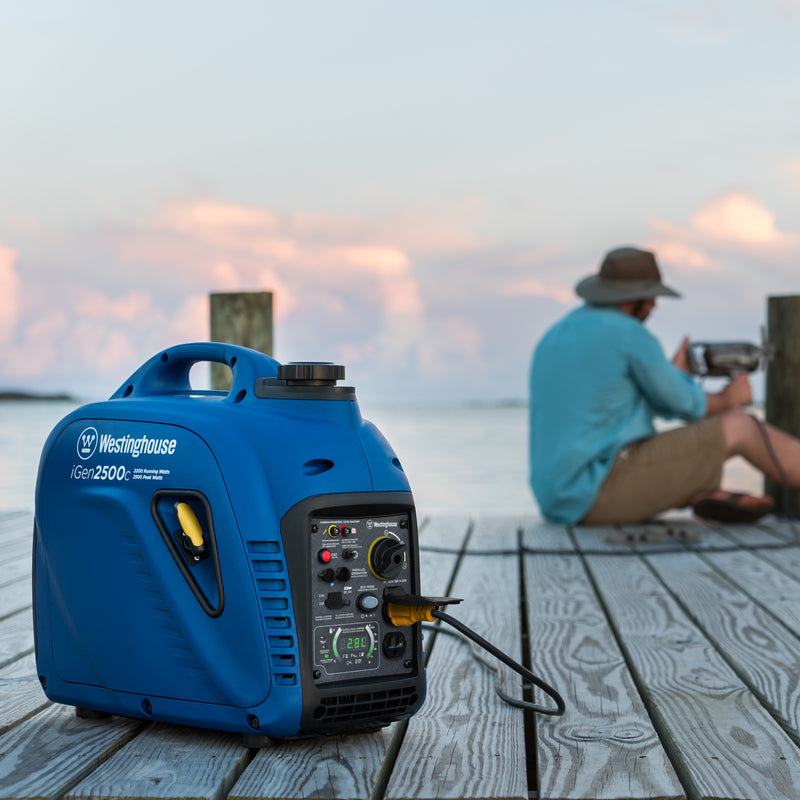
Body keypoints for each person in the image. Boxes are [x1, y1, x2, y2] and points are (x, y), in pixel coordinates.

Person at [529, 245, 800, 526]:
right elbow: (686, 406)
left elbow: (627, 404)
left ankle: (699, 490)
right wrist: (729, 398)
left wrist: (672, 375)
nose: (654, 306)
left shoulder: (557, 333)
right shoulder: (629, 334)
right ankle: (698, 489)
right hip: (596, 494)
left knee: (703, 441)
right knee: (741, 426)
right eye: (650, 298)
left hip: (558, 500)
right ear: (633, 299)